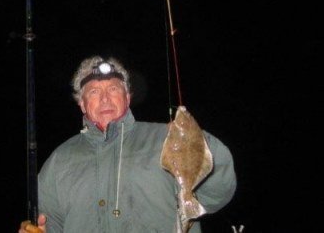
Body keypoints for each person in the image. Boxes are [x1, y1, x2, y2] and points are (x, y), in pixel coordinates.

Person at [18, 55, 236, 233]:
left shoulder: (166, 138)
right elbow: (49, 222)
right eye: (94, 92)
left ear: (128, 98)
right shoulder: (60, 159)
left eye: (113, 89)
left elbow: (218, 192)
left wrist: (200, 141)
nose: (105, 98)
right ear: (82, 105)